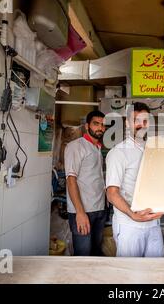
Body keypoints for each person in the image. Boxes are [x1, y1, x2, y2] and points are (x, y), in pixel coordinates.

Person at [106, 102, 164, 257]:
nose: (141, 125)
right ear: (127, 123)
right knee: (130, 276)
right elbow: (112, 193)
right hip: (129, 226)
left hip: (153, 224)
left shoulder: (151, 150)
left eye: (145, 120)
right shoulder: (118, 153)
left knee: (155, 273)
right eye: (136, 120)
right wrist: (133, 214)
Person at [64, 110, 107, 256]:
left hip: (99, 209)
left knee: (95, 252)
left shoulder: (97, 148)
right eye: (96, 124)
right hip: (83, 211)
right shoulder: (76, 146)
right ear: (87, 126)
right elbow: (71, 180)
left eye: (103, 125)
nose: (100, 128)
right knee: (83, 255)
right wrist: (80, 212)